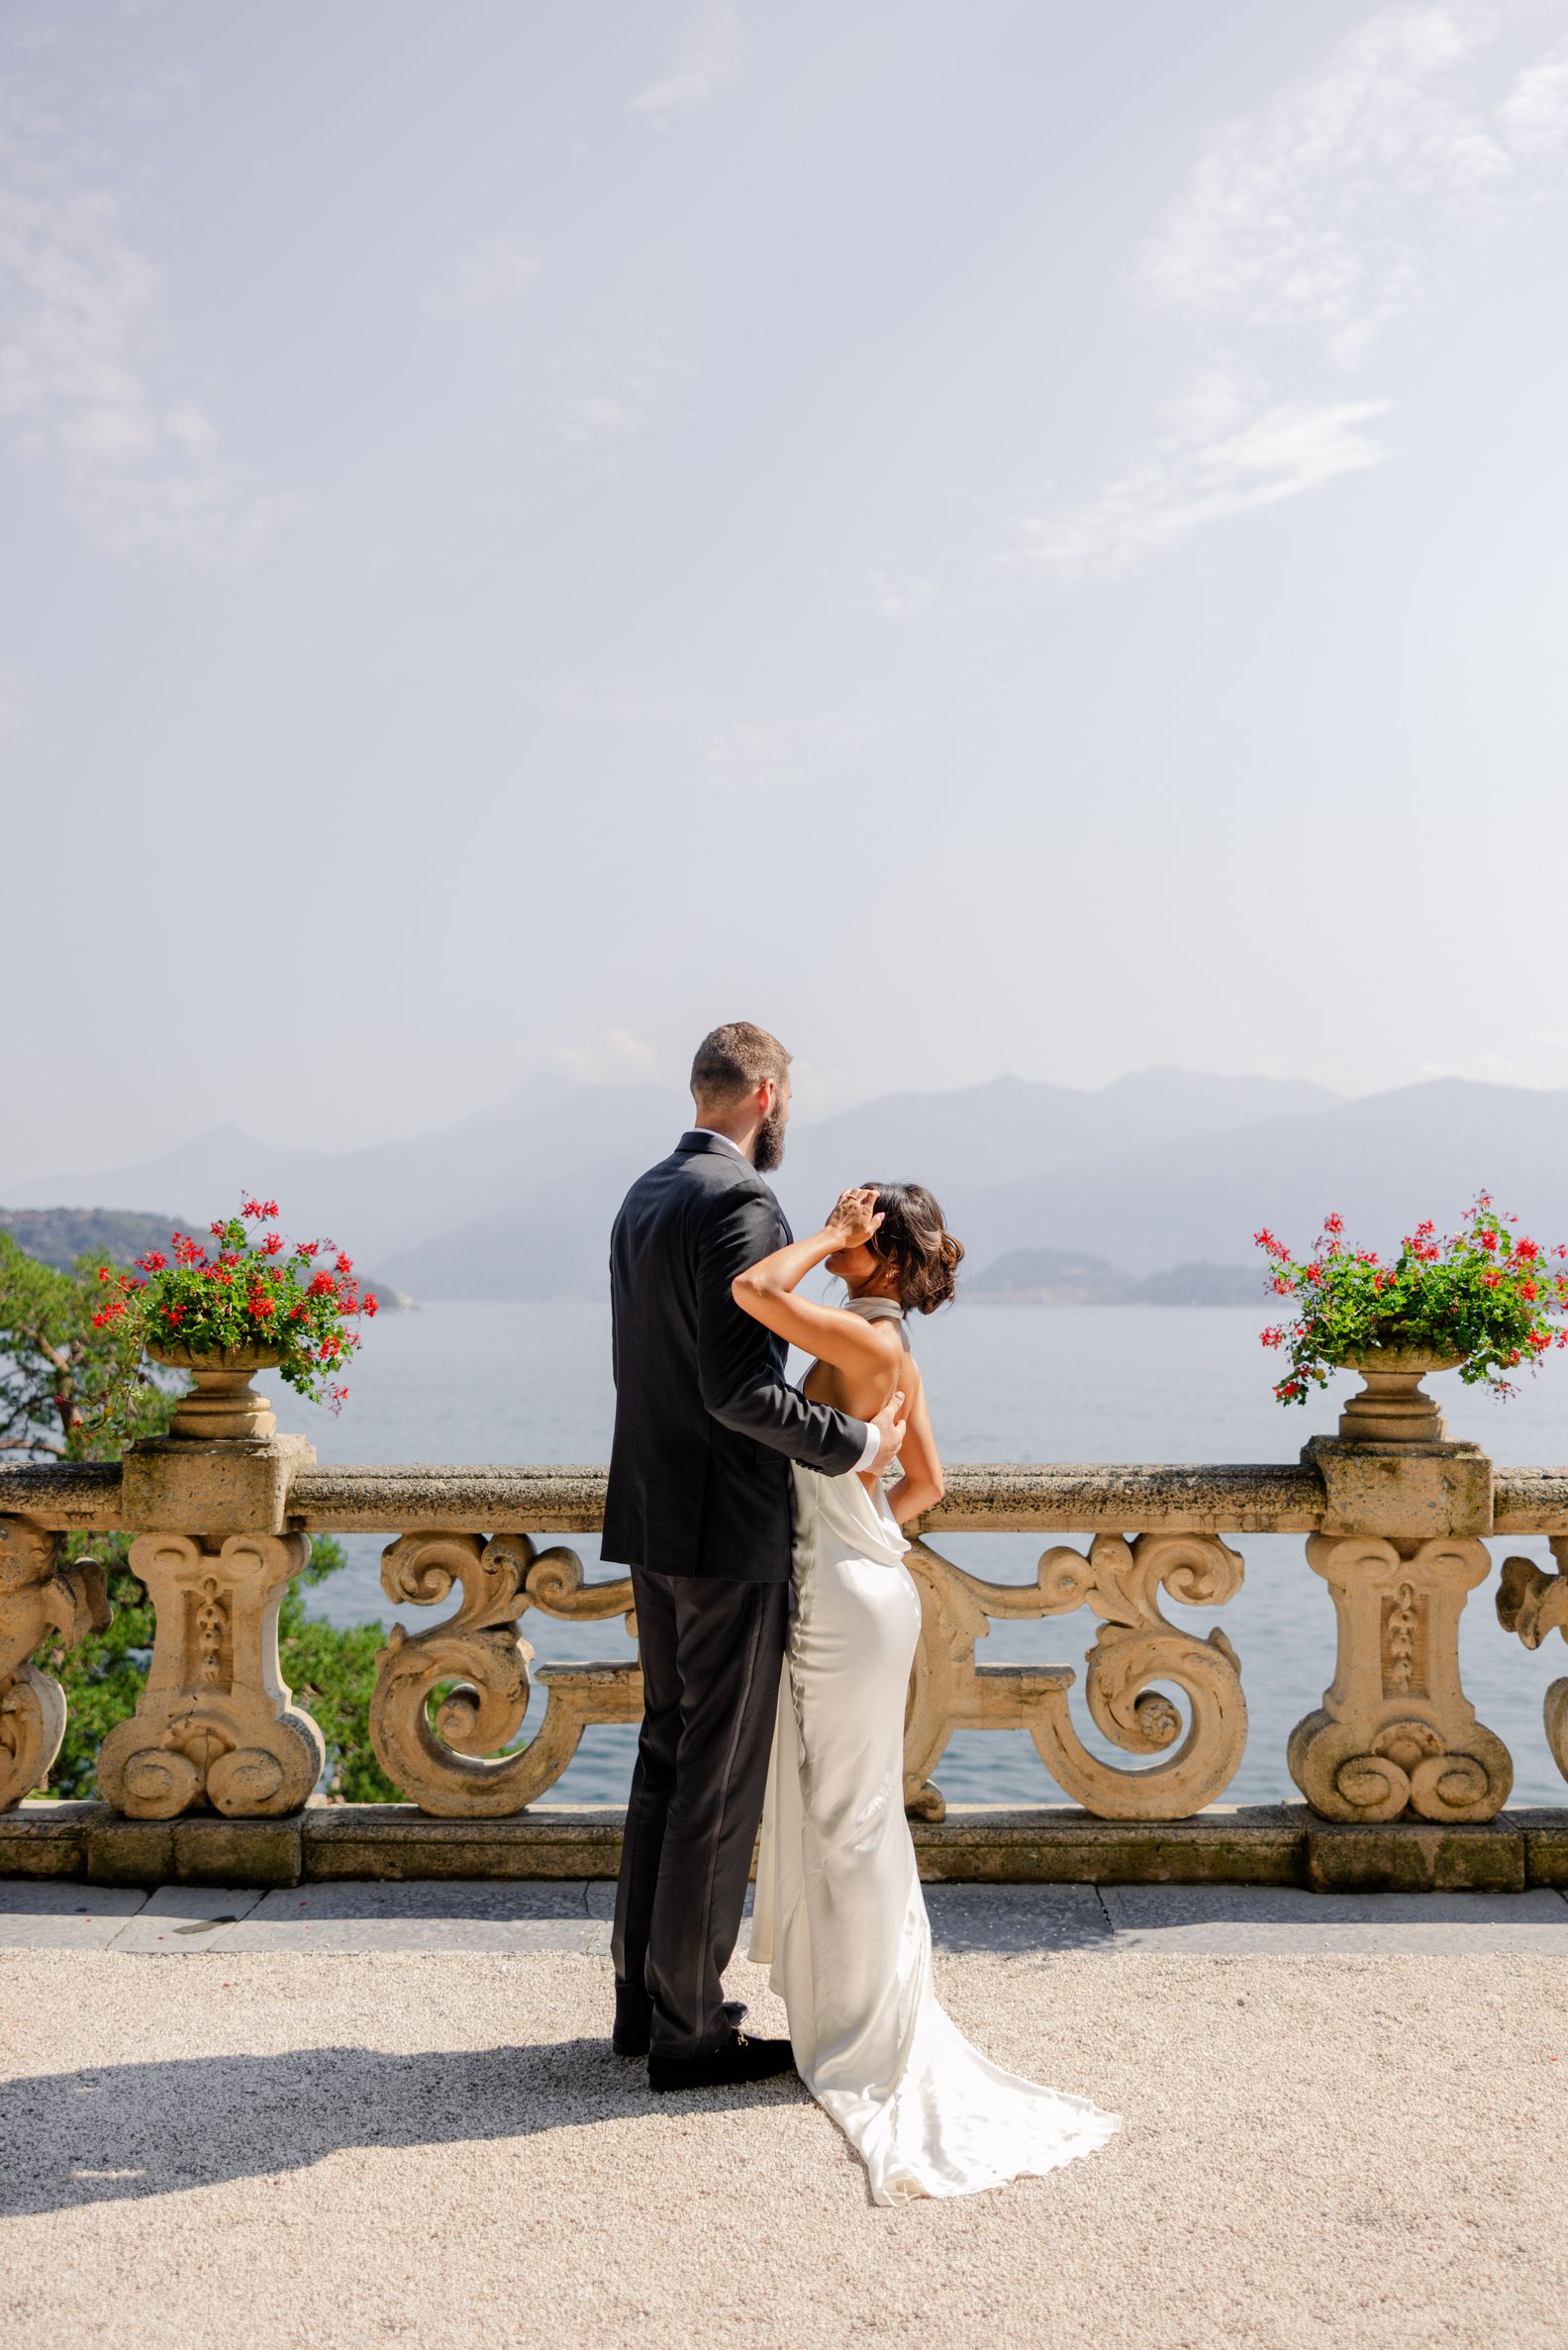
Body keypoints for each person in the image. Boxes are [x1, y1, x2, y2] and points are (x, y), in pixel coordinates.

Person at [735, 1182, 1122, 2203]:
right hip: (861, 1586)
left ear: (884, 1250)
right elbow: (926, 1485)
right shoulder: (889, 1346)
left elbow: (753, 1289)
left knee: (849, 1814)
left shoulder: (867, 1343)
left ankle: (866, 2037)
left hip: (845, 1603)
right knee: (850, 1812)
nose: (844, 1234)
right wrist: (860, 1527)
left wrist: (820, 1236)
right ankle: (854, 2018)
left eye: (863, 1226)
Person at [603, 1022, 907, 2092]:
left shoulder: (642, 1194)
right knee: (716, 1784)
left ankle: (641, 2003)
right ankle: (691, 2030)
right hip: (725, 1528)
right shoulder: (741, 1203)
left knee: (665, 1755)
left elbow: (649, 1375)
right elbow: (739, 1389)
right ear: (767, 1096)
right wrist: (857, 1444)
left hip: (648, 1515)